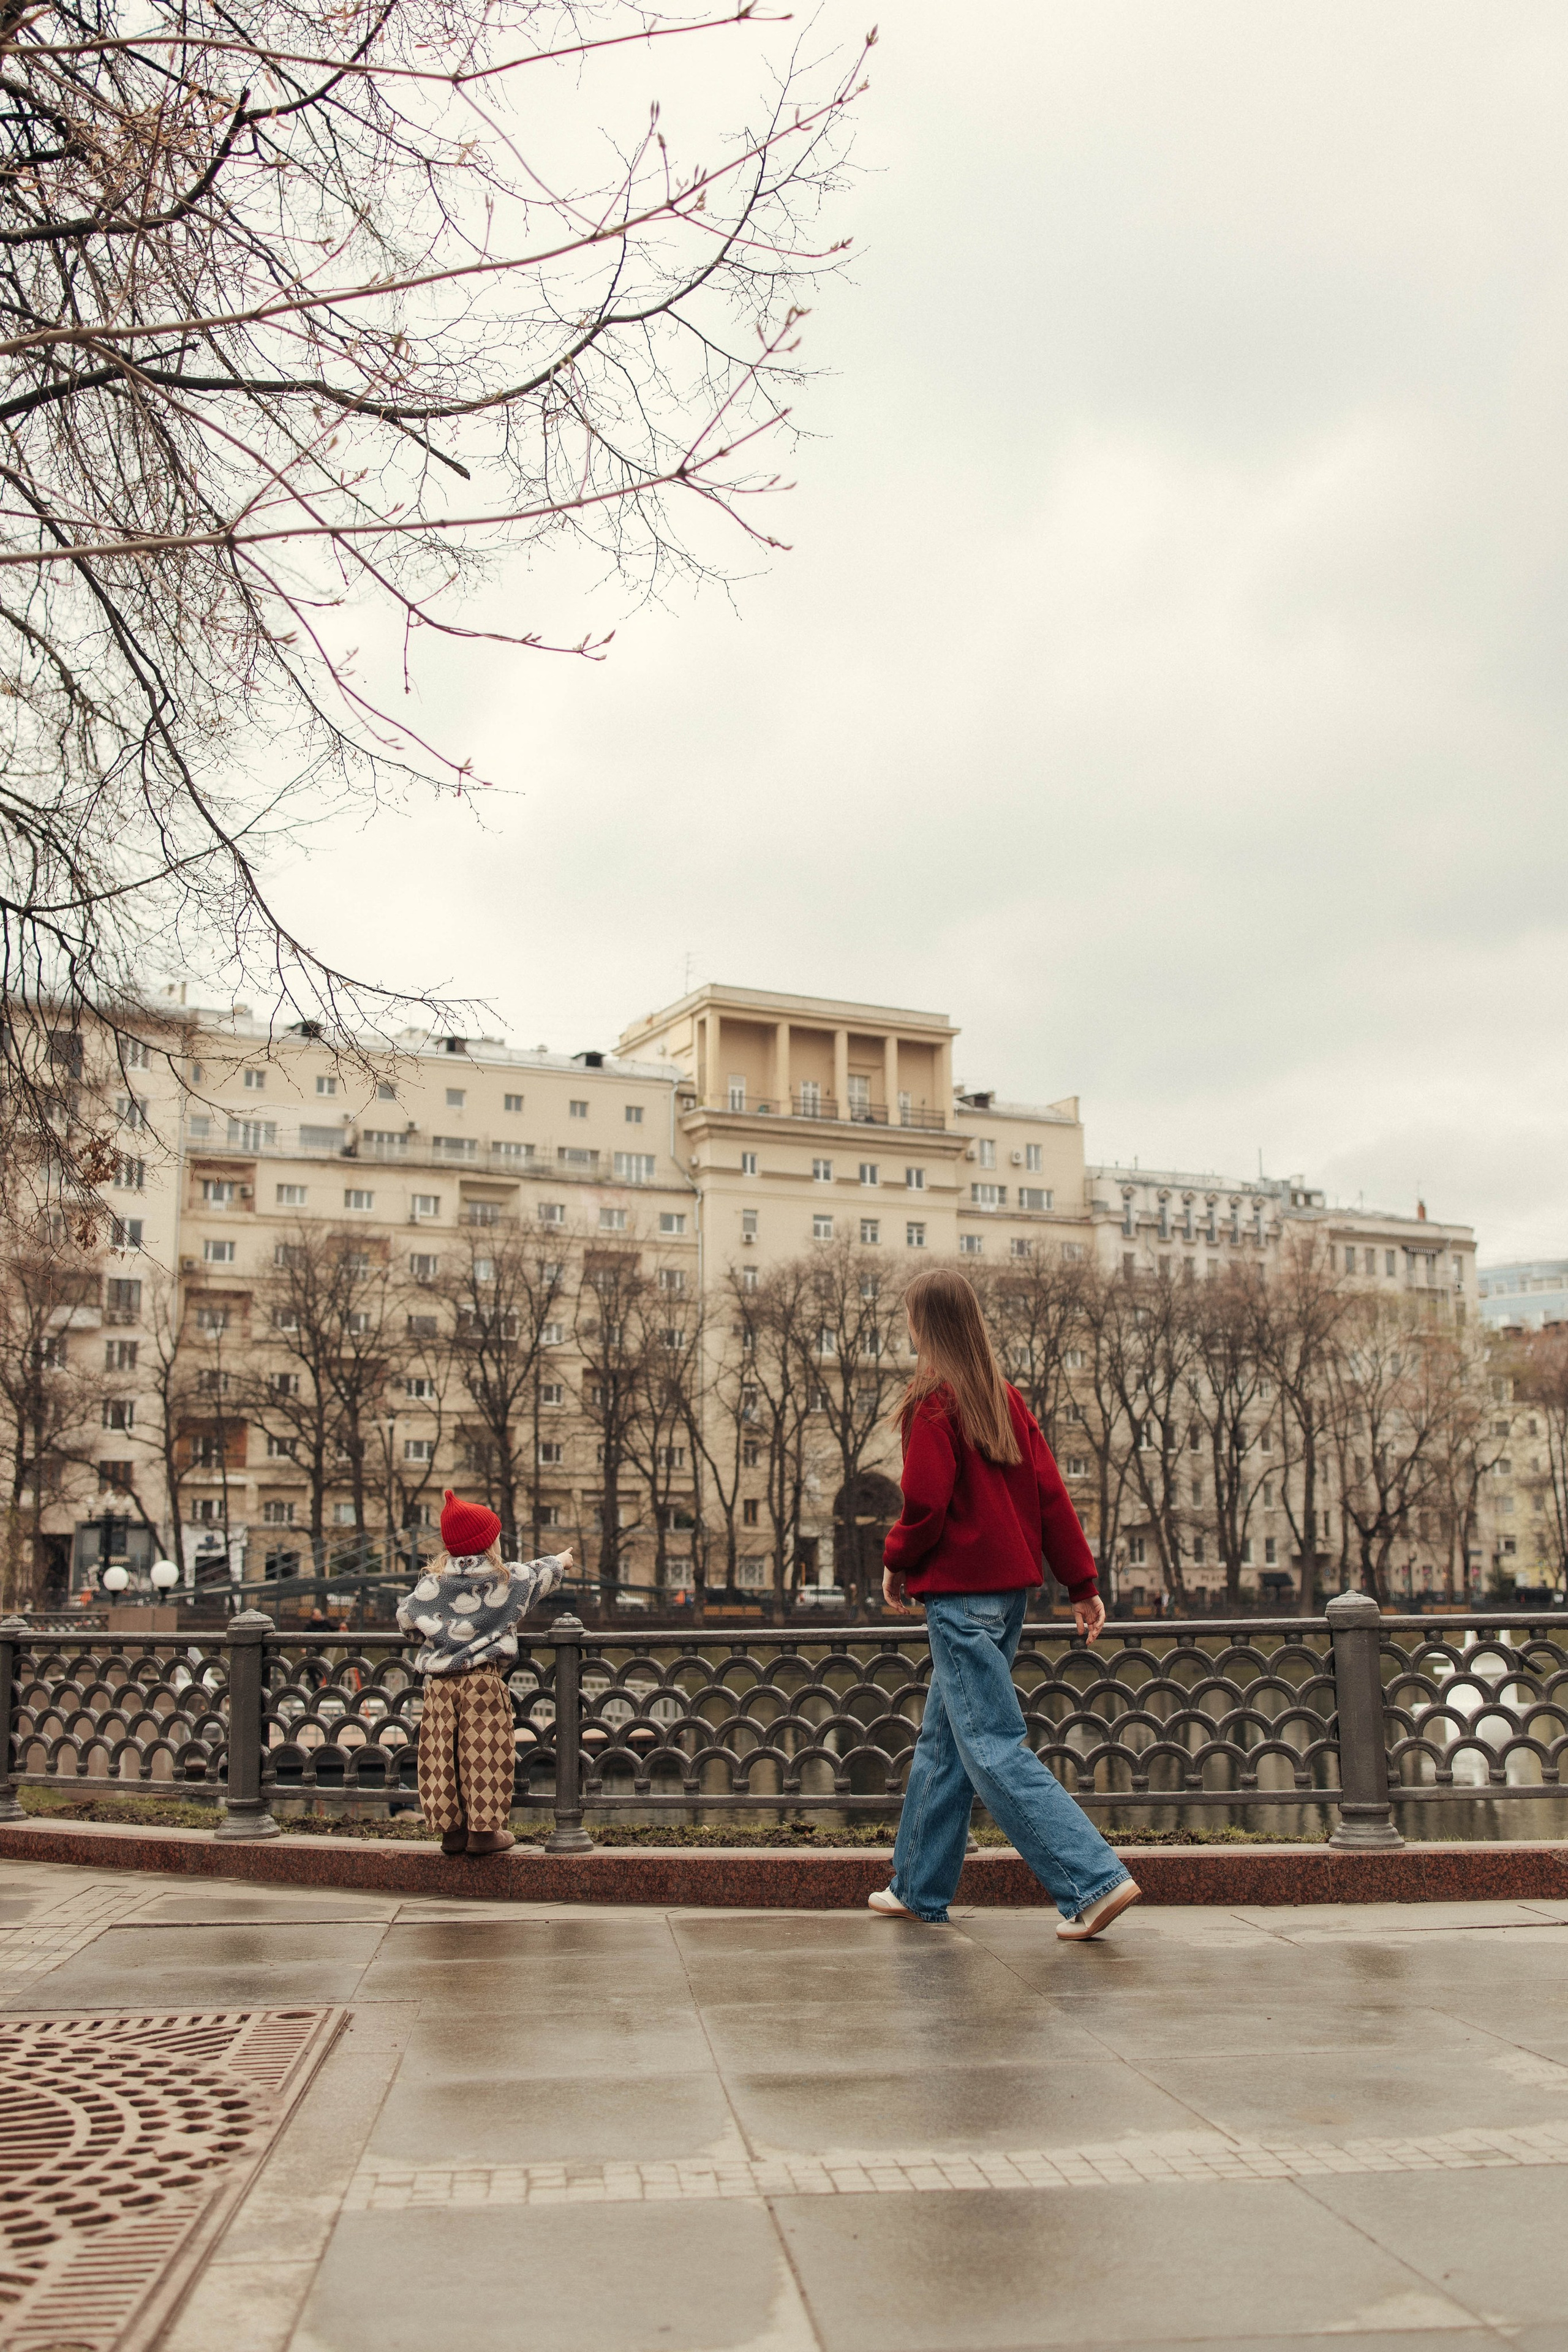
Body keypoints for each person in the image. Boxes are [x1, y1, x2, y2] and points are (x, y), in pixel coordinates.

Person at [870, 1268, 1140, 1940]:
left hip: (960, 1600)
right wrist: (1082, 1584)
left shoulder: (932, 1402)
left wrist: (896, 1560)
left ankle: (1092, 1880)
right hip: (1009, 1599)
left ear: (923, 1326)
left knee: (990, 1744)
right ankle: (916, 1888)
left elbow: (927, 1506)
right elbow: (1050, 1497)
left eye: (910, 1319)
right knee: (943, 1743)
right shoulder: (1004, 1401)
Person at [398, 1490, 573, 1858]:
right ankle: (484, 1833)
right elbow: (539, 1576)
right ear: (488, 1542)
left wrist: (438, 1635)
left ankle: (451, 1833)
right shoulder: (504, 1578)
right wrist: (561, 1561)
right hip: (483, 1681)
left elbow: (407, 1619)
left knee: (439, 1756)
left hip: (440, 1685)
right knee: (486, 1754)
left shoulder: (433, 1582)